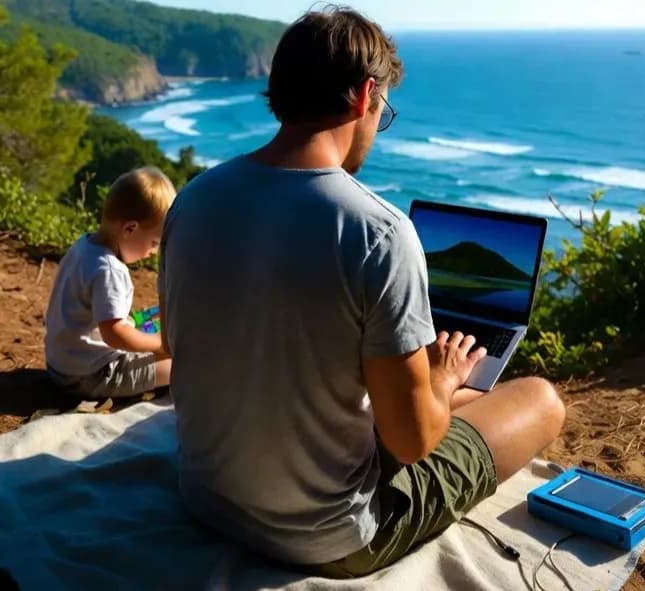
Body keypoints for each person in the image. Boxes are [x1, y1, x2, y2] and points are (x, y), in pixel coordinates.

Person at [158, 6, 565, 578]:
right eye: (384, 111)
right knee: (540, 400)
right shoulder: (379, 233)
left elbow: (179, 342)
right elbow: (411, 442)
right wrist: (443, 379)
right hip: (330, 537)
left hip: (206, 499)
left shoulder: (194, 199)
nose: (378, 124)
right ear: (363, 96)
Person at [45, 166, 175, 399]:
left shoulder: (83, 246)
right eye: (154, 243)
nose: (153, 252)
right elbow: (114, 334)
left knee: (150, 329)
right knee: (178, 367)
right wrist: (159, 345)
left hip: (63, 365)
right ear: (129, 229)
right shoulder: (109, 270)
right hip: (90, 376)